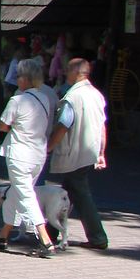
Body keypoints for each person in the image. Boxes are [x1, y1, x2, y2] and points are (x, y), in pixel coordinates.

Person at [0, 58, 58, 257]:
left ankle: (45, 239)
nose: (17, 79)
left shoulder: (17, 99)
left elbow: (2, 125)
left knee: (25, 195)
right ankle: (3, 235)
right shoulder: (44, 98)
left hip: (19, 154)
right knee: (17, 193)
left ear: (26, 79)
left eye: (18, 76)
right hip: (38, 154)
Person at [47, 58, 109, 250]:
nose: (65, 73)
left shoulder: (73, 97)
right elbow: (102, 126)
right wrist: (101, 152)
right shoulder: (96, 95)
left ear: (76, 73)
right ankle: (50, 232)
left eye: (67, 70)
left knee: (79, 193)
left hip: (73, 153)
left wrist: (49, 147)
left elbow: (64, 125)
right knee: (69, 192)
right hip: (88, 151)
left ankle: (98, 237)